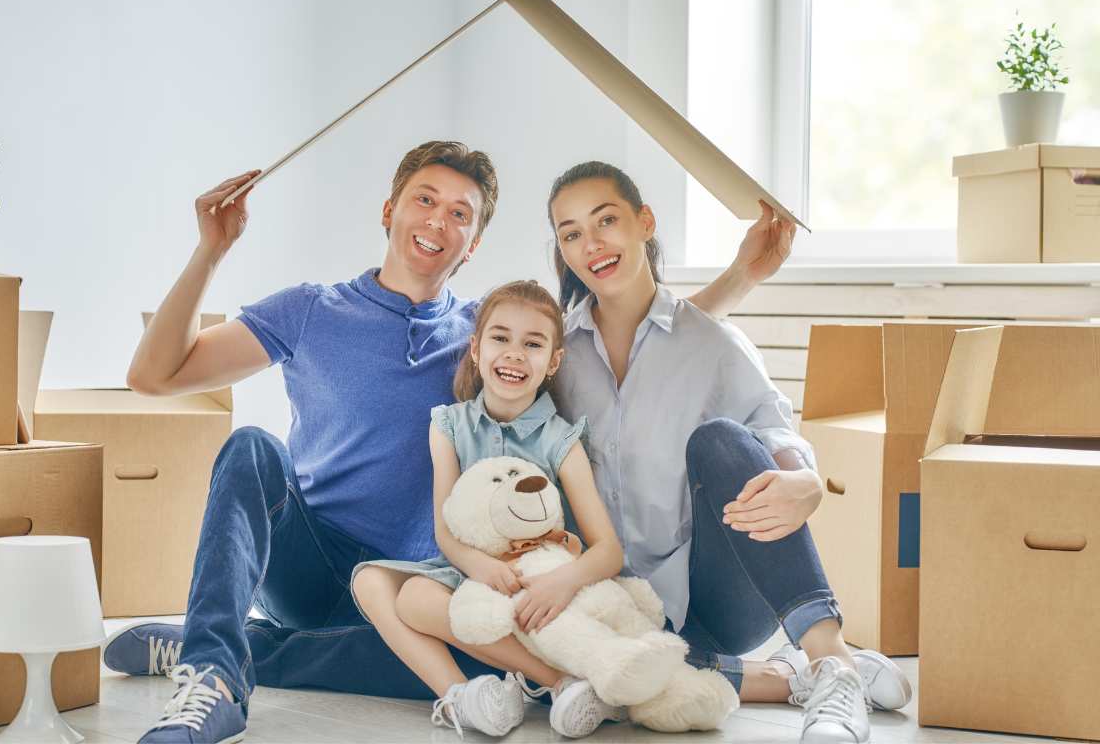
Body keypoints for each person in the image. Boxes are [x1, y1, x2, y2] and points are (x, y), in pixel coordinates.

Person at [101, 141, 786, 744]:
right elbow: (154, 375)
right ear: (388, 211)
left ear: (476, 241)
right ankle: (214, 675)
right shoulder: (309, 310)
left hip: (425, 586)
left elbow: (626, 341)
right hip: (311, 563)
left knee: (494, 664)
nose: (438, 221)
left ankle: (226, 638)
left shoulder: (488, 336)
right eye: (424, 201)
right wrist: (210, 251)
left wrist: (743, 279)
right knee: (251, 447)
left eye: (461, 213)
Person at [545, 161, 913, 744]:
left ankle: (832, 662)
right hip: (618, 607)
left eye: (606, 220)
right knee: (602, 674)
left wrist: (805, 481)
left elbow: (773, 431)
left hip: (716, 596)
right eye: (570, 233)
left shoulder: (712, 342)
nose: (590, 244)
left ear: (645, 222)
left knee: (720, 441)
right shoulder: (555, 357)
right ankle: (787, 677)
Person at [351, 280, 628, 739]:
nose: (515, 354)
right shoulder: (448, 426)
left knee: (417, 600)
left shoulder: (561, 440)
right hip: (468, 572)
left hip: (538, 582)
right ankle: (465, 698)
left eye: (533, 344)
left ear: (553, 362)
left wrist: (560, 583)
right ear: (476, 350)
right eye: (501, 338)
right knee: (381, 585)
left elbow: (608, 552)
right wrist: (479, 566)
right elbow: (445, 533)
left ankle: (560, 681)